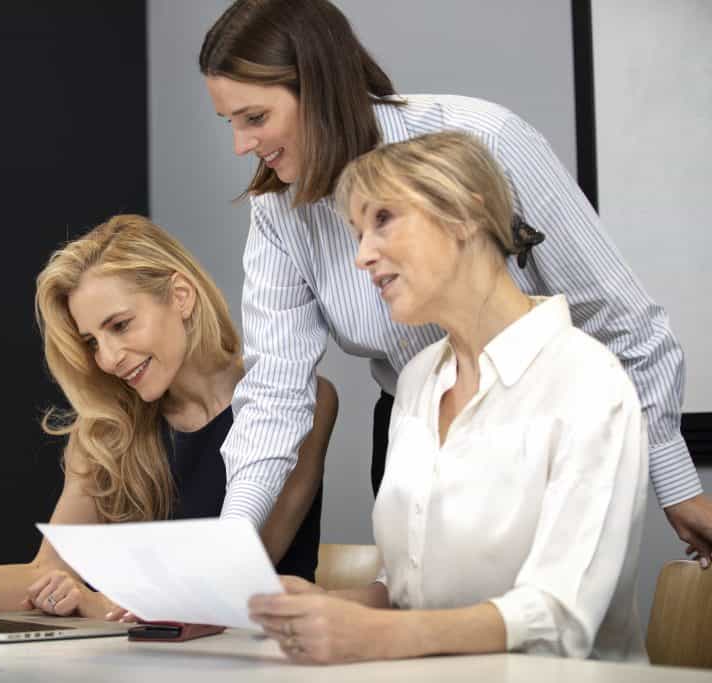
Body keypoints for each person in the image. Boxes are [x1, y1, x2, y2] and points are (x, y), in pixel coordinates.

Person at [199, 0, 712, 565]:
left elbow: (617, 318)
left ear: (318, 87)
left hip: (531, 423)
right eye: (230, 122)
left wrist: (675, 480)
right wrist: (231, 536)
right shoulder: (279, 208)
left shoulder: (484, 138)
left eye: (255, 118)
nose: (241, 146)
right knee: (416, 601)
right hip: (413, 423)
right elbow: (275, 388)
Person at [250, 130, 648, 664]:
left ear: (465, 215)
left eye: (383, 220)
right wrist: (325, 607)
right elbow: (411, 591)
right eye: (357, 234)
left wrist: (375, 635)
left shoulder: (588, 381)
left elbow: (560, 619)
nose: (361, 256)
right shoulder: (417, 380)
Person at [0, 215, 338, 618]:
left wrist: (95, 603)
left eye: (120, 325)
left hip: (264, 658)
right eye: (92, 342)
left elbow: (240, 572)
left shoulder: (305, 401)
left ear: (181, 296)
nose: (108, 358)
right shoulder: (107, 428)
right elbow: (46, 573)